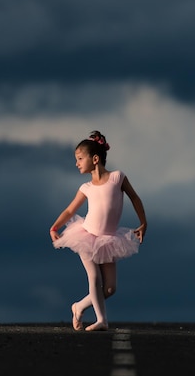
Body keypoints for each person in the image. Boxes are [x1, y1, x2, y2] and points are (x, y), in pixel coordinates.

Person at [49, 130, 147, 331]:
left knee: (110, 289)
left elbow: (135, 198)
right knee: (94, 279)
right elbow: (70, 210)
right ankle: (102, 320)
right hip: (86, 236)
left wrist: (143, 222)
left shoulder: (117, 178)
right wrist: (55, 226)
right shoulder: (86, 187)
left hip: (109, 240)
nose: (76, 163)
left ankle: (78, 306)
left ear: (95, 159)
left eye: (79, 159)